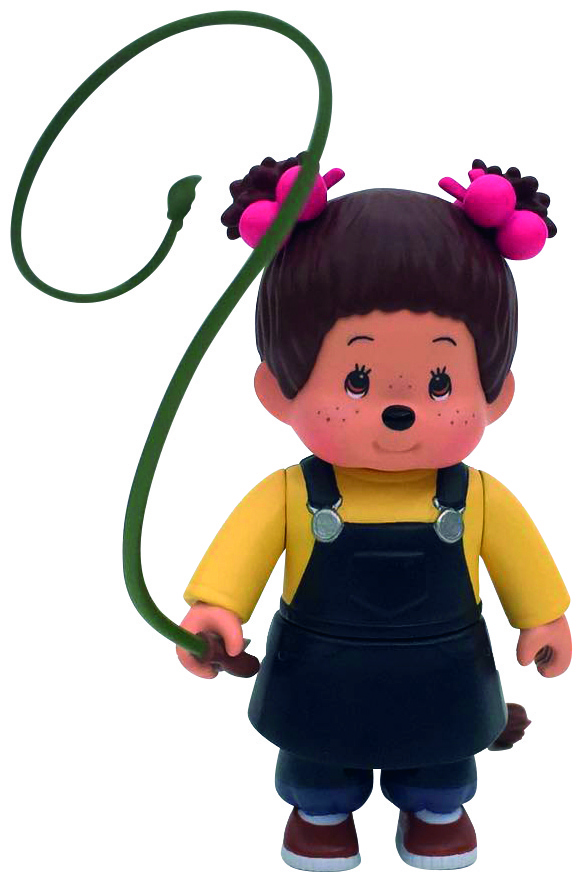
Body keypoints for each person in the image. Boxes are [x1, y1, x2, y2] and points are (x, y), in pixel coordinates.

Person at [176, 155, 572, 871]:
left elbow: (521, 560)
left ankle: (436, 809)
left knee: (442, 756)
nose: (399, 408)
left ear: (495, 395)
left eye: (439, 381)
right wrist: (215, 608)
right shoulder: (289, 495)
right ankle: (321, 813)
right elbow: (239, 557)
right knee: (315, 757)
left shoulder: (478, 497)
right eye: (356, 379)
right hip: (318, 673)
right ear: (278, 388)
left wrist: (541, 616)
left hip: (442, 673)